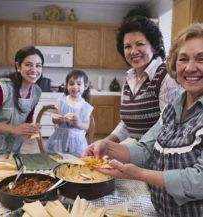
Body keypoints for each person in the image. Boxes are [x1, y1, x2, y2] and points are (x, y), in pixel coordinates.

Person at [84, 23, 203, 217]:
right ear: (174, 64)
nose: (190, 67)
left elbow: (199, 181)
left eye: (201, 58)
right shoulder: (173, 110)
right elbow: (146, 148)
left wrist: (139, 174)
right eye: (183, 59)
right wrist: (107, 146)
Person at [105, 16, 182, 144]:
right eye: (127, 46)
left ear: (154, 47)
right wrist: (106, 142)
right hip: (136, 148)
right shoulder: (129, 80)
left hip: (159, 152)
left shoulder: (166, 76)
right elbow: (126, 125)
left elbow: (167, 125)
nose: (133, 51)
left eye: (140, 44)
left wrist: (132, 150)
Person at [0, 46, 44, 154]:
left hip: (13, 151)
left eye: (38, 65)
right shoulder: (0, 88)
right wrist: (13, 128)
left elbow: (27, 119)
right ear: (18, 66)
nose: (34, 70)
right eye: (28, 65)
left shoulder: (36, 92)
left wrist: (31, 129)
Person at [46, 70, 93, 156]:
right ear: (67, 86)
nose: (75, 87)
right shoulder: (61, 101)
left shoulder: (86, 107)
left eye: (79, 84)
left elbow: (86, 126)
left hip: (78, 143)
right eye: (71, 84)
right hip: (60, 140)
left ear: (85, 86)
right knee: (57, 160)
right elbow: (54, 119)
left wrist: (78, 123)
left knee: (76, 163)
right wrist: (59, 119)